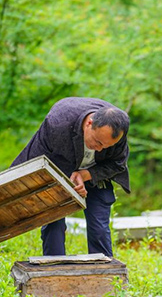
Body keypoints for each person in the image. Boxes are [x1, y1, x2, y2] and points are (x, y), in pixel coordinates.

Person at [11, 97, 130, 257]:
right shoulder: (58, 122)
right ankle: (54, 271)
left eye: (106, 146)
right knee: (53, 221)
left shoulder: (117, 132)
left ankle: (103, 275)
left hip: (96, 175)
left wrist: (86, 175)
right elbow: (35, 161)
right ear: (89, 123)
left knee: (99, 227)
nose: (101, 149)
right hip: (59, 170)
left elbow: (118, 164)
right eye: (98, 142)